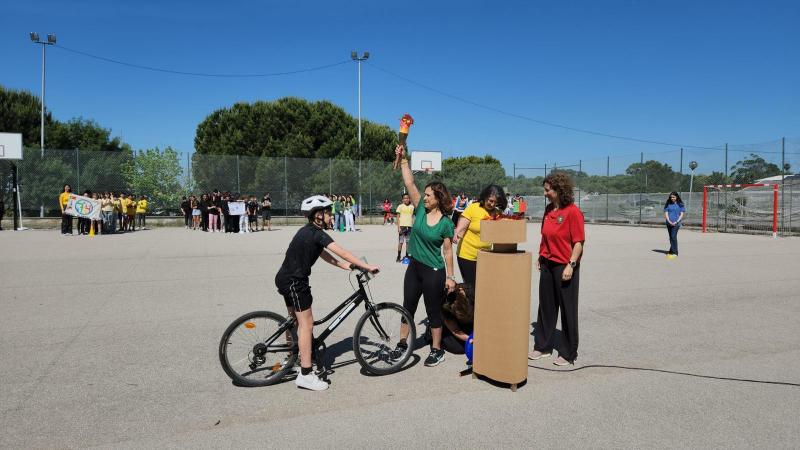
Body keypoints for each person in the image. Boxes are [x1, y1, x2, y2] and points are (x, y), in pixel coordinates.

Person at [274, 195, 379, 391]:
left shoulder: (308, 231)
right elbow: (342, 251)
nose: (332, 216)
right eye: (329, 213)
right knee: (306, 325)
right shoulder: (318, 233)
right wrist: (366, 266)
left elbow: (325, 254)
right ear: (319, 215)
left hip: (285, 278)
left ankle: (292, 359)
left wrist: (344, 266)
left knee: (294, 322)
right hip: (295, 282)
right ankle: (305, 374)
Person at [393, 144, 456, 367]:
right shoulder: (419, 208)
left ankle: (436, 349)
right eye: (425, 194)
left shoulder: (446, 223)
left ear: (438, 198)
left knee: (433, 311)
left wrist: (450, 277)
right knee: (407, 306)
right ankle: (402, 344)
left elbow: (448, 251)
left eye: (429, 195)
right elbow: (409, 182)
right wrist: (402, 159)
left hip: (434, 271)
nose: (425, 197)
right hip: (415, 267)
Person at [529, 172, 585, 366]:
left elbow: (578, 243)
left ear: (559, 190)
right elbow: (546, 236)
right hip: (547, 263)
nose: (545, 193)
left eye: (548, 190)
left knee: (568, 310)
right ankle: (543, 346)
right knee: (546, 307)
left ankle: (569, 352)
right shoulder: (548, 210)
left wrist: (571, 264)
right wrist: (541, 255)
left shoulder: (573, 212)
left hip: (565, 265)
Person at [453, 184, 507, 287]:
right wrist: (456, 233)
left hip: (486, 256)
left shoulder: (498, 213)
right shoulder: (473, 208)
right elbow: (461, 226)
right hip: (467, 255)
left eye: (495, 202)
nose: (492, 204)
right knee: (472, 287)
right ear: (485, 196)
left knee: (483, 286)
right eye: (490, 201)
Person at [441, 284, 475, 357]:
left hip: (471, 322)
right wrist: (470, 339)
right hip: (452, 326)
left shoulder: (471, 293)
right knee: (458, 348)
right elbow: (455, 330)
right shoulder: (446, 307)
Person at [664, 191, 685, 259]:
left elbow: (681, 214)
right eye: (671, 197)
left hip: (676, 223)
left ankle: (675, 253)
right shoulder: (668, 204)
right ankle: (671, 250)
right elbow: (666, 213)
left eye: (673, 197)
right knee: (671, 237)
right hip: (669, 223)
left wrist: (676, 221)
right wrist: (669, 221)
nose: (672, 198)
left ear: (676, 197)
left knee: (673, 236)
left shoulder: (680, 204)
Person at [395, 193, 415, 262]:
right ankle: (398, 256)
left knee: (408, 242)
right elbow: (397, 217)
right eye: (405, 198)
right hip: (402, 226)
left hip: (409, 227)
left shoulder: (412, 207)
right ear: (402, 199)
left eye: (407, 198)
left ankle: (407, 256)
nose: (406, 199)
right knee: (401, 242)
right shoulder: (400, 206)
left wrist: (413, 225)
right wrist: (398, 227)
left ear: (409, 199)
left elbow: (412, 217)